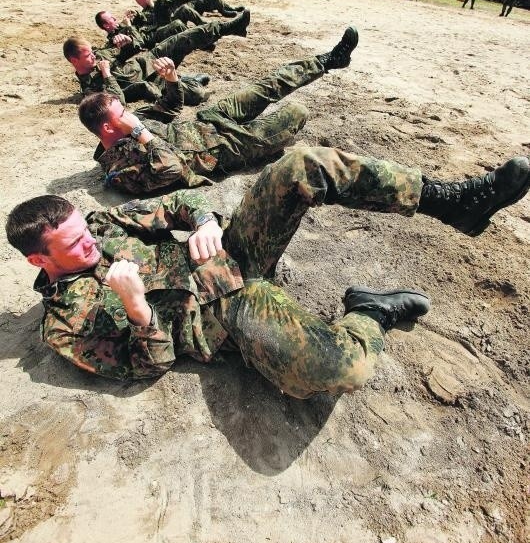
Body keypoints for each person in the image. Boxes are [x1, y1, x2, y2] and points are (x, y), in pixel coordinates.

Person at [7, 142, 529, 393]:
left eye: (85, 232)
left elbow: (181, 203)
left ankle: (451, 200)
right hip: (224, 314)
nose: (90, 245)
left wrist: (207, 219)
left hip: (230, 251)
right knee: (339, 370)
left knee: (302, 165)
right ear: (39, 260)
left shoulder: (97, 224)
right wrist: (138, 311)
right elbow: (146, 367)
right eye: (74, 246)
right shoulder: (64, 327)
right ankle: (370, 311)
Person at [78, 28, 360, 193]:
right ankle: (274, 143)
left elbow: (169, 109)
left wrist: (172, 81)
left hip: (211, 119)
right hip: (227, 147)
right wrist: (140, 132)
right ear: (107, 128)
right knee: (297, 112)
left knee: (268, 85)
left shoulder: (129, 123)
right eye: (121, 112)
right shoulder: (119, 171)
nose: (128, 113)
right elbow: (172, 169)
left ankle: (329, 60)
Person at [63, 12, 249, 102]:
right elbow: (118, 99)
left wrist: (126, 42)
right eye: (88, 56)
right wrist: (107, 75)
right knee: (198, 94)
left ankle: (232, 27)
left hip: (151, 57)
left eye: (93, 53)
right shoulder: (89, 88)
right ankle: (192, 81)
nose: (94, 57)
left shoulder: (100, 55)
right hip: (154, 79)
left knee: (185, 37)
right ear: (74, 61)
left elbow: (129, 53)